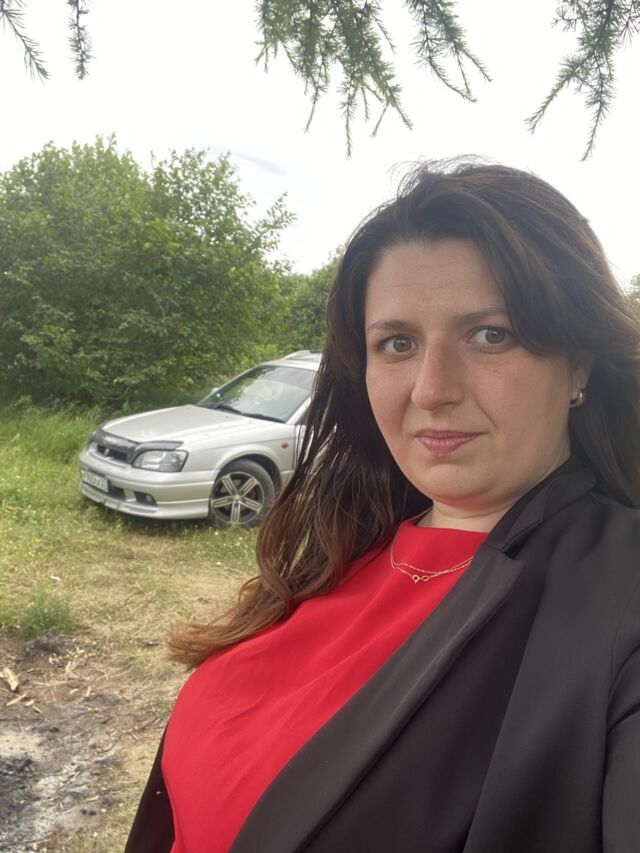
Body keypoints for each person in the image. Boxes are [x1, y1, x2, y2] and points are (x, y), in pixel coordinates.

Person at [125, 160, 640, 853]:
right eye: (398, 343)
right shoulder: (345, 545)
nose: (431, 389)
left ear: (578, 363)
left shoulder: (622, 596)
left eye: (490, 334)